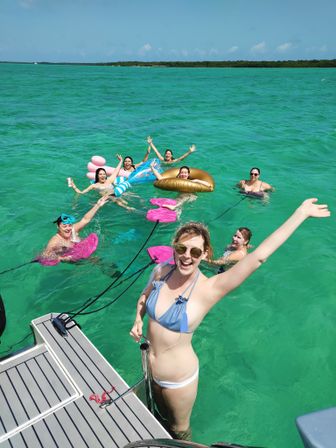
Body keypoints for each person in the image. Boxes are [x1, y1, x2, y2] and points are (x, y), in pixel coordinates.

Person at [130, 198, 330, 440]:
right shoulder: (161, 271)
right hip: (149, 367)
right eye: (181, 249)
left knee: (179, 431)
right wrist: (138, 320)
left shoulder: (209, 290)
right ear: (174, 247)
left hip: (177, 380)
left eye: (195, 252)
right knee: (153, 415)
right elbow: (145, 295)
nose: (186, 257)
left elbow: (258, 258)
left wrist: (299, 214)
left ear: (204, 254)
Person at [42, 196, 109, 262]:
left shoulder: (73, 229)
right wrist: (61, 258)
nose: (68, 228)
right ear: (58, 226)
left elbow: (85, 220)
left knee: (100, 261)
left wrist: (97, 205)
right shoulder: (55, 241)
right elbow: (45, 256)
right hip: (74, 260)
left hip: (85, 250)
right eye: (64, 226)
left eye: (70, 225)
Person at [69, 155, 134, 211]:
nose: (102, 176)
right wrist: (73, 186)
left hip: (117, 193)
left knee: (130, 195)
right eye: (100, 174)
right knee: (117, 201)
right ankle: (128, 208)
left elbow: (116, 171)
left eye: (104, 174)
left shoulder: (109, 180)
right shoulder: (94, 185)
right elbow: (81, 192)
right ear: (97, 176)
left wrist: (121, 161)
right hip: (108, 197)